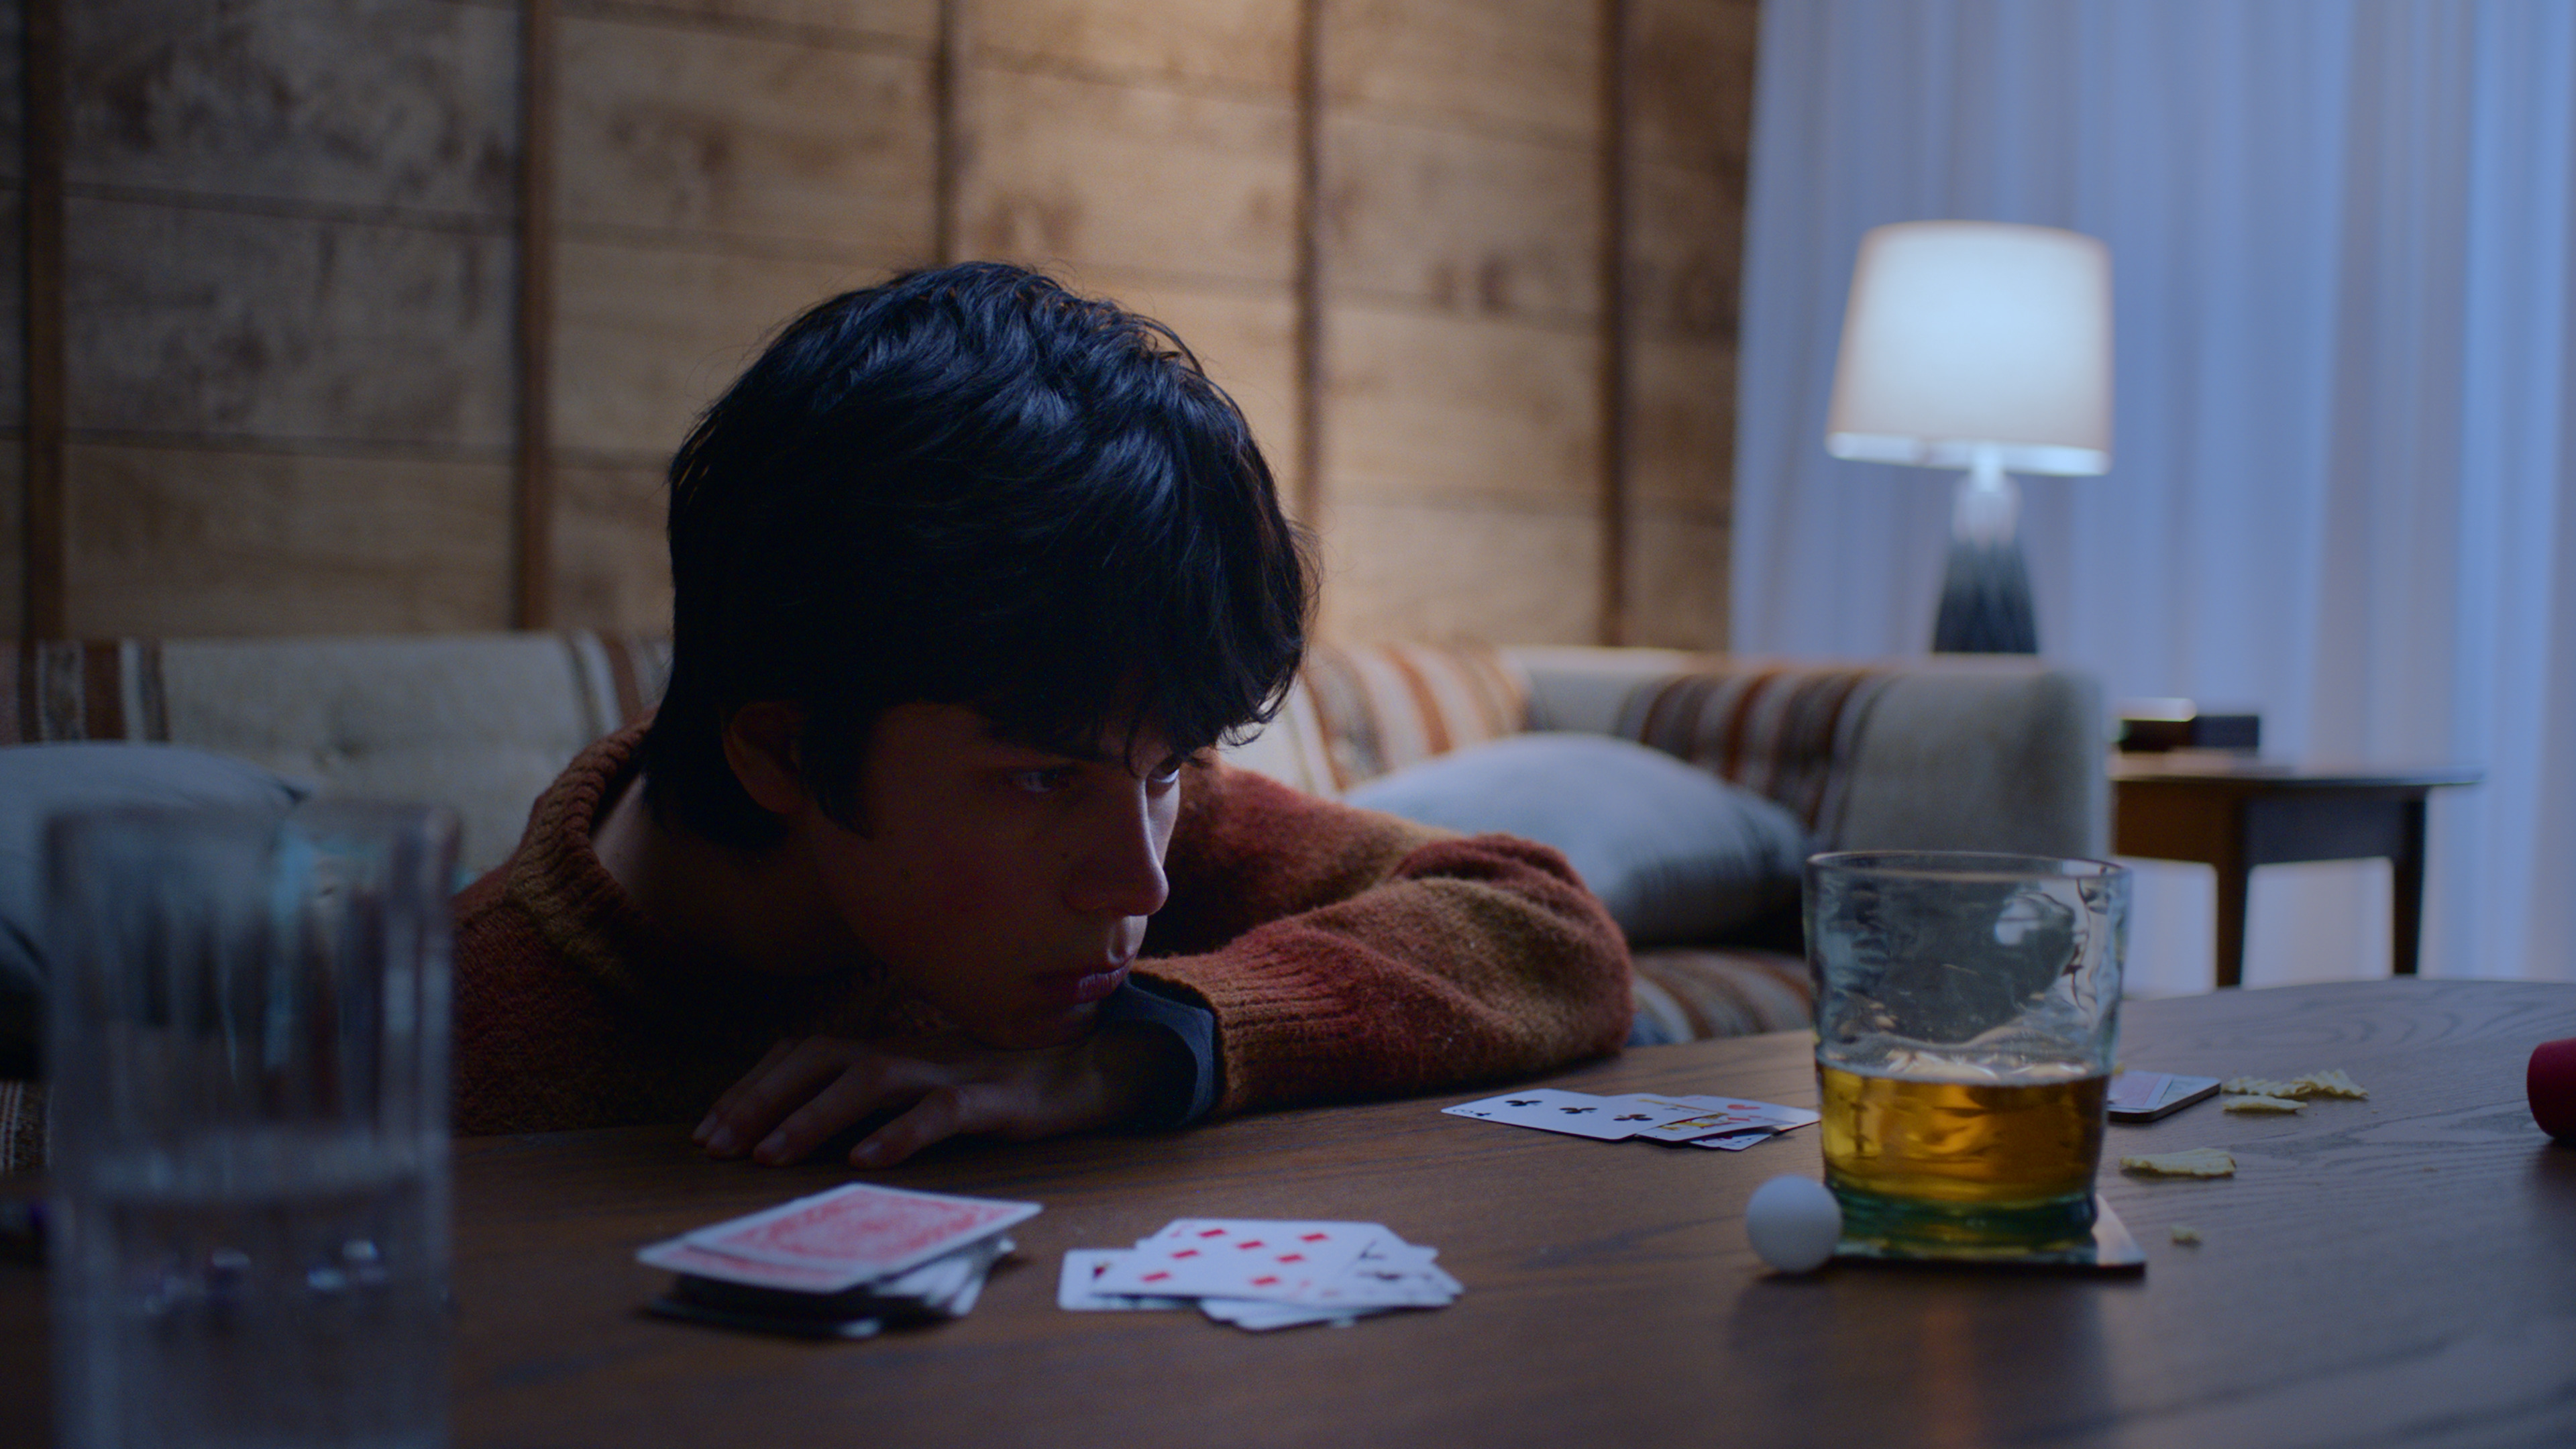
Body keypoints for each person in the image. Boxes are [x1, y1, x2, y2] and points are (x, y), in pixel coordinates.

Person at [452, 262, 1631, 1166]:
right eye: (1035, 782)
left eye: (1169, 769)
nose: (1140, 884)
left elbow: (1547, 926)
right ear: (782, 751)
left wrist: (1138, 1051)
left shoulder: (1123, 795)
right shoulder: (437, 1038)